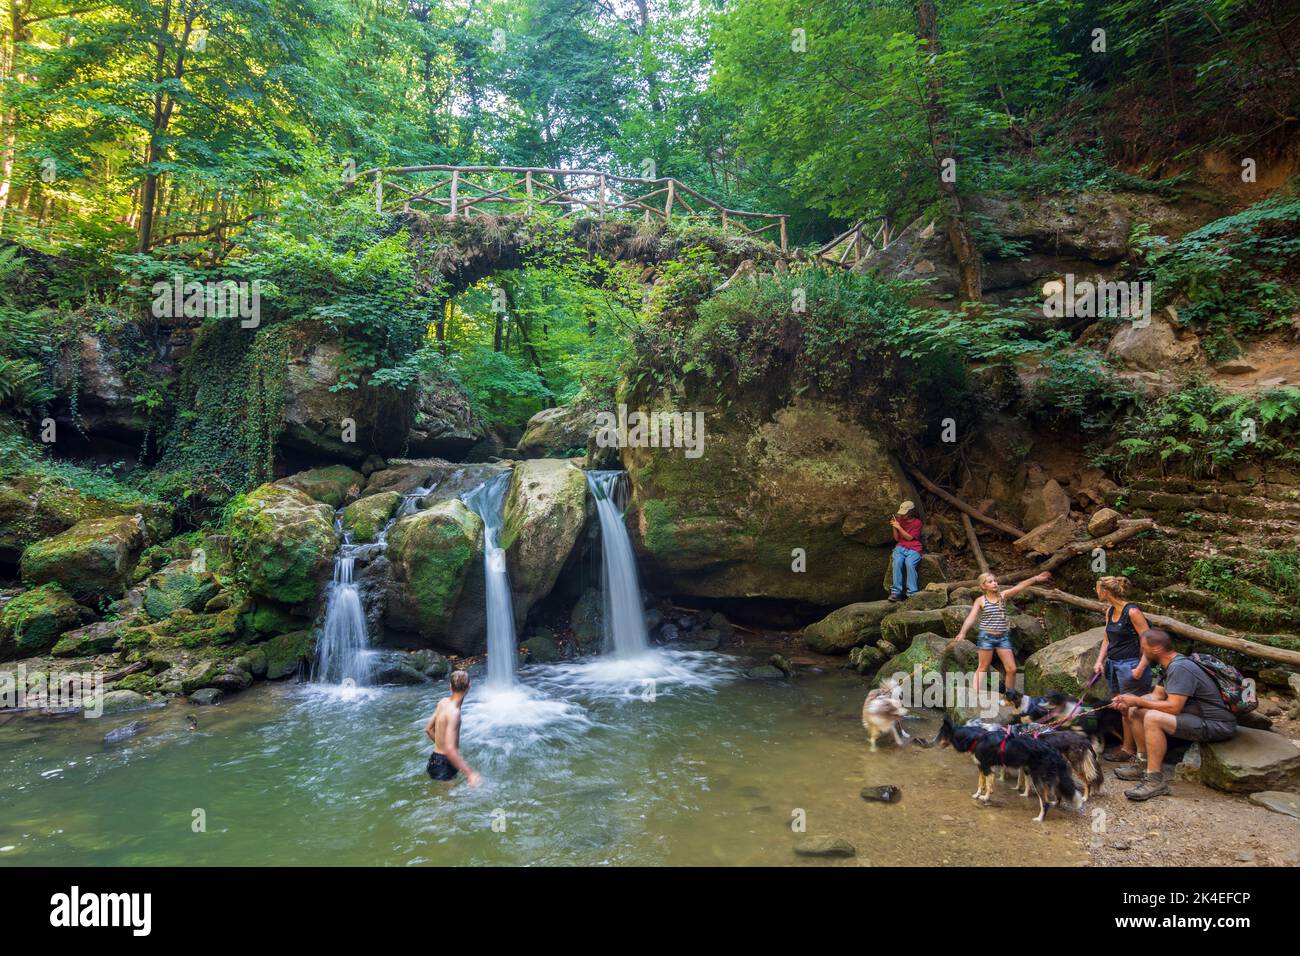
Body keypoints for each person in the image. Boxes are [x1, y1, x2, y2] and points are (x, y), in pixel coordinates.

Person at [1110, 628, 1237, 801]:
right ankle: (1142, 763)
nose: (1141, 651)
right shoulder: (1167, 666)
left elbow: (1173, 708)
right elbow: (1156, 696)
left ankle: (1155, 780)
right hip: (1194, 718)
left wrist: (1138, 701)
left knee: (1153, 718)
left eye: (1143, 647)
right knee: (1135, 711)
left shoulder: (1180, 667)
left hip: (1216, 724)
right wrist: (1129, 700)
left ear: (1156, 649)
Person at [947, 570, 1052, 695]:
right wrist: (962, 632)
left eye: (995, 581)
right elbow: (971, 617)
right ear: (983, 586)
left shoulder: (1003, 596)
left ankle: (1010, 696)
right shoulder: (980, 601)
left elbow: (1019, 587)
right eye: (990, 582)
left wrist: (1035, 578)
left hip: (1002, 638)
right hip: (986, 638)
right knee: (983, 667)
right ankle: (974, 695)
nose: (994, 583)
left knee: (1012, 669)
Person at [1091, 575, 1153, 761]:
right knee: (1122, 709)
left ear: (1105, 591)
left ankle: (1139, 754)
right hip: (1114, 665)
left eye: (1097, 589)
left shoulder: (1132, 612)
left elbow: (1149, 641)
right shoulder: (1110, 611)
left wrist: (1141, 667)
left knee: (1133, 710)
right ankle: (1127, 748)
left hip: (1131, 665)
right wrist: (1099, 661)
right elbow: (1107, 638)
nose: (1096, 592)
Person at [425, 670, 481, 786]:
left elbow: (429, 729)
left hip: (435, 760)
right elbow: (450, 749)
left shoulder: (443, 702)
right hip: (443, 765)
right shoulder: (454, 713)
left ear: (450, 686)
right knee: (446, 803)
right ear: (469, 686)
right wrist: (470, 774)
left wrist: (441, 747)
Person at [888, 501, 924, 602]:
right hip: (900, 547)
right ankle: (896, 592)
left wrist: (899, 527)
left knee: (909, 564)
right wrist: (894, 527)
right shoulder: (899, 520)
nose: (902, 515)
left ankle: (912, 592)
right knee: (897, 562)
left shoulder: (917, 523)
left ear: (911, 512)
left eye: (905, 513)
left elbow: (909, 538)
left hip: (914, 548)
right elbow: (896, 538)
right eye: (902, 513)